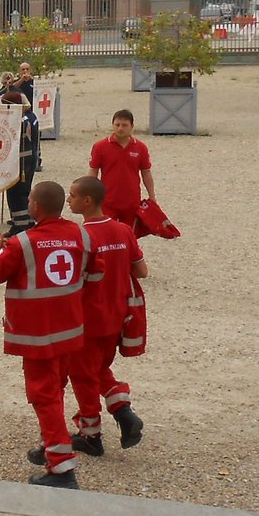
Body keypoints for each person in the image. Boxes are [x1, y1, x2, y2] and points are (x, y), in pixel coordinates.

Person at [0, 181, 91, 489]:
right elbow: (95, 272)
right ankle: (52, 444)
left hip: (37, 336)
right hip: (70, 329)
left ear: (36, 207)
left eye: (29, 199)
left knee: (44, 395)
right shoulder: (81, 234)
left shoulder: (22, 242)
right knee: (56, 388)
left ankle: (61, 466)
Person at [65, 177, 147, 453]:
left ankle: (90, 435)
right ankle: (123, 411)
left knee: (82, 374)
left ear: (87, 201)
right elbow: (142, 271)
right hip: (117, 315)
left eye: (72, 195)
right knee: (98, 369)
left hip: (87, 317)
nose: (68, 200)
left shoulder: (81, 236)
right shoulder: (124, 231)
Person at [87, 109, 156, 232]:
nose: (120, 128)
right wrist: (89, 195)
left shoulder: (141, 148)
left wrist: (152, 197)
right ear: (112, 125)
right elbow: (93, 171)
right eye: (117, 125)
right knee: (106, 234)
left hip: (132, 201)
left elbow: (146, 172)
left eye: (124, 125)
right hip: (107, 201)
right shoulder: (100, 147)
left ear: (132, 126)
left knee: (129, 235)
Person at [0, 91, 39, 235]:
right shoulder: (26, 117)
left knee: (16, 193)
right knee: (23, 191)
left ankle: (21, 224)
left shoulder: (16, 121)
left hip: (19, 161)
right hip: (27, 158)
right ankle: (26, 220)